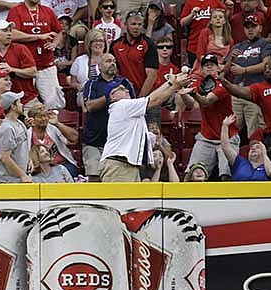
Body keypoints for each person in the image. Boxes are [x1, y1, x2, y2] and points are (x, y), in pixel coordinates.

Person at [97, 70, 191, 182]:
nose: (127, 90)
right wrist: (172, 84)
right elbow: (154, 99)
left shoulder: (129, 111)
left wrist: (172, 83)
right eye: (121, 89)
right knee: (120, 199)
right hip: (118, 166)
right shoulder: (120, 105)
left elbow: (155, 98)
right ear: (112, 96)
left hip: (126, 166)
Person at [177, 54, 238, 181]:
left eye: (212, 65)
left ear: (218, 68)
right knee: (191, 174)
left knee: (226, 174)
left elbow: (205, 101)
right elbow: (193, 104)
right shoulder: (199, 84)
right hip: (206, 137)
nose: (209, 67)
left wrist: (193, 93)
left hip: (227, 137)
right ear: (202, 69)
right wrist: (183, 93)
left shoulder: (222, 84)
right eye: (206, 65)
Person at [81, 52, 135, 181]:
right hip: (94, 141)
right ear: (99, 66)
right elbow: (89, 106)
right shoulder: (91, 84)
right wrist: (108, 97)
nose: (112, 63)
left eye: (114, 61)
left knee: (114, 178)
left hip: (118, 143)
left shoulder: (124, 83)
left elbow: (133, 106)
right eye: (108, 61)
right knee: (94, 177)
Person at [7, 0, 66, 109]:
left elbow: (59, 31)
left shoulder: (47, 11)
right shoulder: (16, 11)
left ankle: (54, 125)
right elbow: (13, 34)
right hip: (25, 68)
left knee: (53, 102)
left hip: (46, 64)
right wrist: (39, 36)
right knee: (26, 103)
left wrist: (54, 44)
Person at [223, 14, 271, 138]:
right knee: (232, 131)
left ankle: (256, 156)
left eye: (253, 26)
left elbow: (266, 65)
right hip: (236, 94)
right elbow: (223, 71)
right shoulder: (238, 46)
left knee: (255, 132)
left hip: (254, 95)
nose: (250, 29)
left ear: (260, 28)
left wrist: (244, 70)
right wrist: (231, 59)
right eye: (247, 27)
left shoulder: (265, 44)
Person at [219, 61, 271, 146]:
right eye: (265, 69)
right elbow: (239, 91)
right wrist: (224, 81)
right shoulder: (259, 88)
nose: (267, 71)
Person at [0, 20, 40, 111]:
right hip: (5, 104)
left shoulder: (21, 49)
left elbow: (33, 72)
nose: (9, 34)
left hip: (27, 100)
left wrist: (12, 70)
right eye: (5, 31)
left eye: (10, 30)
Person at [109, 10, 158, 99]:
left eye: (139, 24)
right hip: (124, 96)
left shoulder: (148, 44)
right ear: (125, 25)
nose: (136, 27)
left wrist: (139, 99)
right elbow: (114, 73)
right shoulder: (115, 46)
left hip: (147, 97)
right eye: (133, 24)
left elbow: (152, 75)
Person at [26, 103, 80, 178]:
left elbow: (74, 138)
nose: (44, 119)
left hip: (62, 164)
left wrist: (57, 123)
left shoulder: (54, 128)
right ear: (32, 119)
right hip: (39, 168)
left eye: (45, 116)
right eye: (40, 116)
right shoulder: (27, 134)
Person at [218, 114, 271, 180]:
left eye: (258, 147)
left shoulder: (267, 166)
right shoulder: (240, 162)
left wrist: (264, 155)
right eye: (251, 148)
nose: (253, 148)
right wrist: (225, 126)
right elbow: (225, 146)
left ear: (264, 150)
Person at [0, 91, 32, 183]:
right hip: (8, 179)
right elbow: (5, 158)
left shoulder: (20, 123)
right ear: (13, 107)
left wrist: (29, 160)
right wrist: (22, 175)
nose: (22, 104)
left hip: (20, 176)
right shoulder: (7, 128)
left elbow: (23, 146)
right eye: (19, 102)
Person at [180, 0, 230, 66]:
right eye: (215, 17)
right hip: (194, 44)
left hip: (212, 45)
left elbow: (226, 16)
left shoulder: (215, 1)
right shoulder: (190, 2)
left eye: (219, 18)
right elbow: (182, 23)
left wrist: (230, 8)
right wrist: (192, 14)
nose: (218, 19)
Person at [70, 28, 107, 108]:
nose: (98, 43)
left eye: (101, 41)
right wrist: (77, 86)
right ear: (89, 43)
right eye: (94, 41)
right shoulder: (79, 60)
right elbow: (73, 82)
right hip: (84, 94)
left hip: (104, 94)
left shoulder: (109, 59)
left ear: (105, 44)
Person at [192, 7, 232, 72]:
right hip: (204, 66)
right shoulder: (205, 33)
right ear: (210, 21)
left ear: (224, 21)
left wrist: (224, 67)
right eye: (215, 17)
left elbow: (230, 59)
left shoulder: (229, 39)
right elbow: (200, 55)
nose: (218, 19)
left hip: (221, 70)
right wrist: (213, 65)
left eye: (220, 17)